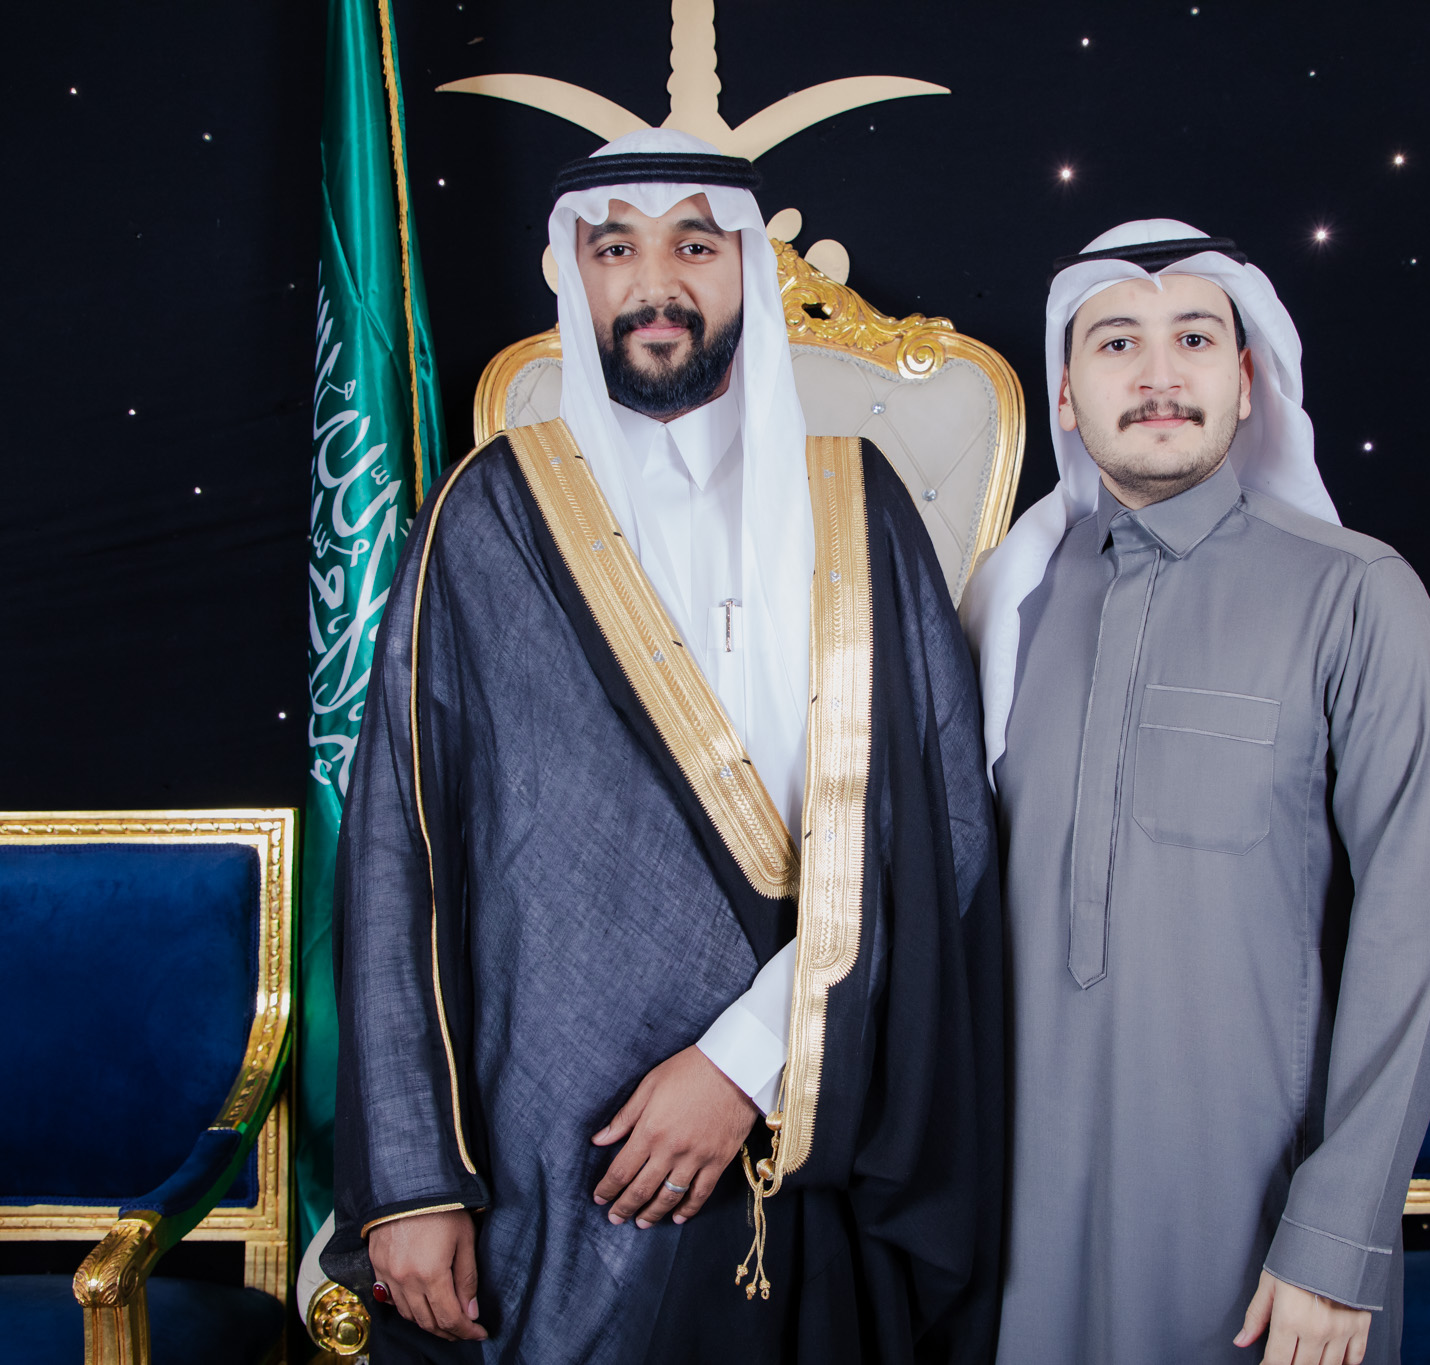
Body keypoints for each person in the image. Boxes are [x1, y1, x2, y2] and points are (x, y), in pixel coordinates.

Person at [322, 128, 1003, 1365]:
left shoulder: (857, 504)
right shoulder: (486, 516)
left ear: (746, 265)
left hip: (808, 1129)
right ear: (574, 278)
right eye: (614, 250)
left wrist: (748, 1063)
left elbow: (936, 836)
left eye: (693, 246)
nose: (654, 283)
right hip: (540, 1153)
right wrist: (412, 1183)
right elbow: (393, 858)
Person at [962, 220, 1430, 1365]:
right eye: (1115, 343)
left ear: (1246, 382)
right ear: (1065, 395)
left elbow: (1411, 939)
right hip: (1020, 1216)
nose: (1156, 373)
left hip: (1255, 1233)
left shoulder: (1358, 596)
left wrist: (1336, 1240)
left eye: (1193, 338)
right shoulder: (1005, 608)